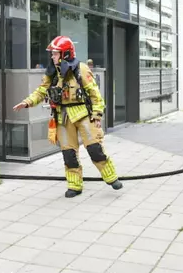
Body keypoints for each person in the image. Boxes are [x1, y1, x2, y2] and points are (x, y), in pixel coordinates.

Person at [13, 36, 122, 198]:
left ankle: (111, 178)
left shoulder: (81, 69)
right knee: (69, 153)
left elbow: (95, 94)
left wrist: (97, 114)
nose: (52, 56)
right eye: (52, 54)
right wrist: (27, 102)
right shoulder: (52, 74)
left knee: (94, 148)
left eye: (55, 53)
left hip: (84, 114)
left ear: (65, 54)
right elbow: (41, 91)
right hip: (63, 117)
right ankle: (74, 185)